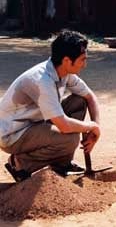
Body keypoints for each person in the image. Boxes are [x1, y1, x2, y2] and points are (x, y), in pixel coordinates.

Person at [0, 30, 102, 182]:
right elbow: (64, 126)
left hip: (34, 122)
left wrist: (95, 128)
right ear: (67, 61)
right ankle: (20, 164)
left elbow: (89, 97)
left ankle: (63, 163)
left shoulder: (64, 72)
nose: (84, 65)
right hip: (13, 134)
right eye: (82, 60)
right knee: (69, 139)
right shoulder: (43, 80)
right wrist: (90, 126)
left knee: (79, 101)